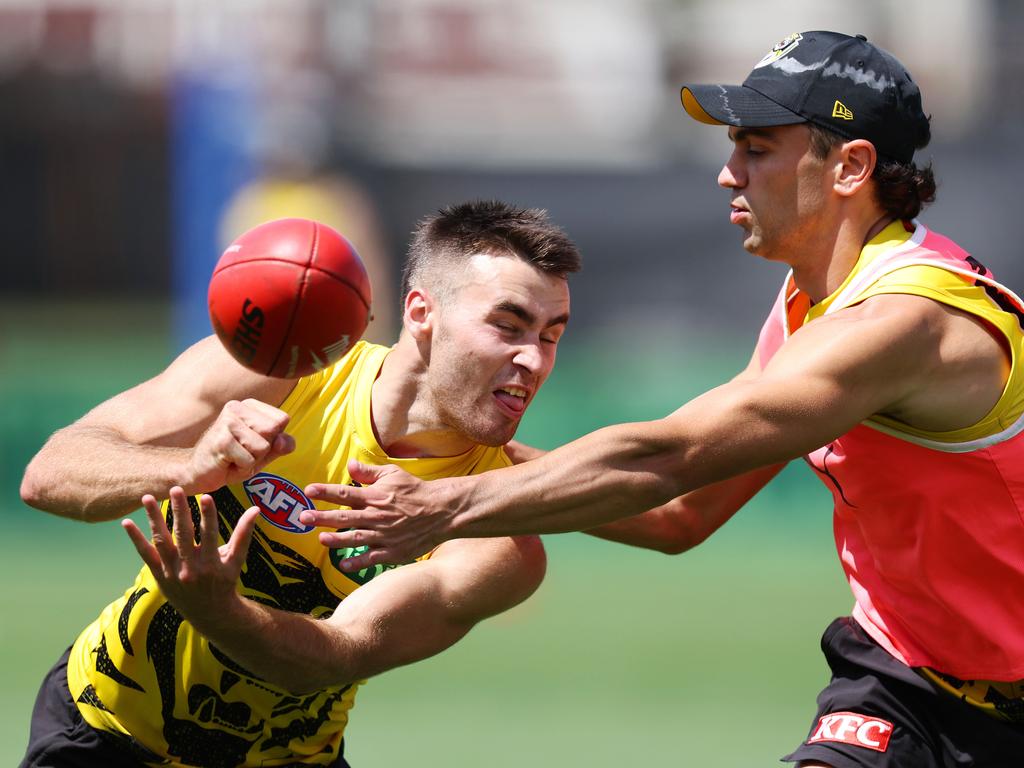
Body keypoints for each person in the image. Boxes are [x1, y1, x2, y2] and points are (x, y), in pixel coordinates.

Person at [295, 32, 1024, 767]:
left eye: (757, 148)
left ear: (850, 167)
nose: (726, 173)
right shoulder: (814, 299)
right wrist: (454, 450)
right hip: (904, 680)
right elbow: (684, 512)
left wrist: (446, 506)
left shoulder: (904, 321)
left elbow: (674, 458)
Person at [18, 199, 581, 768]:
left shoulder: (496, 538)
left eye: (551, 336)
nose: (533, 360)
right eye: (507, 326)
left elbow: (336, 655)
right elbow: (51, 473)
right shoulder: (284, 368)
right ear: (420, 312)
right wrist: (187, 468)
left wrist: (217, 609)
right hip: (101, 729)